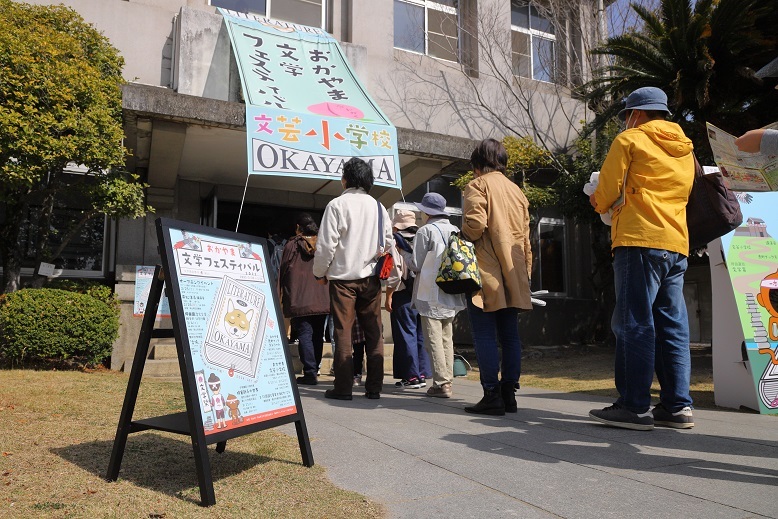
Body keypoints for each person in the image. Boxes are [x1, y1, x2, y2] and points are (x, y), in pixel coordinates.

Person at [588, 86, 695, 430]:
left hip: (638, 240)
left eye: (626, 116)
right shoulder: (685, 148)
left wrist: (598, 202)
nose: (624, 122)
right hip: (676, 243)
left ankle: (633, 407)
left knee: (634, 322)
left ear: (636, 114)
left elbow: (606, 189)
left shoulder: (630, 140)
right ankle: (677, 407)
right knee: (671, 325)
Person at [313, 157, 396, 400]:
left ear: (345, 179)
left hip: (342, 278)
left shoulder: (337, 205)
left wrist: (319, 273)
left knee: (343, 332)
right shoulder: (379, 208)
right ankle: (374, 387)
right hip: (371, 278)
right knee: (374, 332)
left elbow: (326, 245)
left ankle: (343, 387)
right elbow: (388, 244)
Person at [461, 138, 533, 416]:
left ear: (477, 164)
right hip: (513, 271)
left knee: (484, 334)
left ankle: (491, 394)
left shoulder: (477, 185)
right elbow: (525, 238)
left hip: (486, 270)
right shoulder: (517, 191)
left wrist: (463, 235)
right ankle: (508, 394)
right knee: (510, 335)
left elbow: (476, 225)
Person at [410, 192, 466, 398]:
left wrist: (403, 251)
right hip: (451, 291)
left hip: (429, 291)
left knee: (432, 339)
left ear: (426, 212)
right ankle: (447, 380)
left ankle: (441, 384)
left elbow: (416, 264)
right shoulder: (455, 229)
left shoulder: (425, 231)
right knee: (446, 338)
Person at [278, 213, 330, 385]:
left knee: (305, 335)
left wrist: (281, 293)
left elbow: (283, 269)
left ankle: (309, 373)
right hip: (322, 297)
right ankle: (313, 370)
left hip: (299, 298)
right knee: (317, 336)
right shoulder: (323, 244)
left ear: (299, 227)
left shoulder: (292, 245)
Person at [385, 210, 431, 389]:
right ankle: (421, 373)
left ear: (396, 225)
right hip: (422, 292)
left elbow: (395, 272)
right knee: (420, 335)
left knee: (406, 335)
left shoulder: (395, 241)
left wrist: (388, 294)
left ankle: (411, 376)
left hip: (402, 293)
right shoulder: (422, 238)